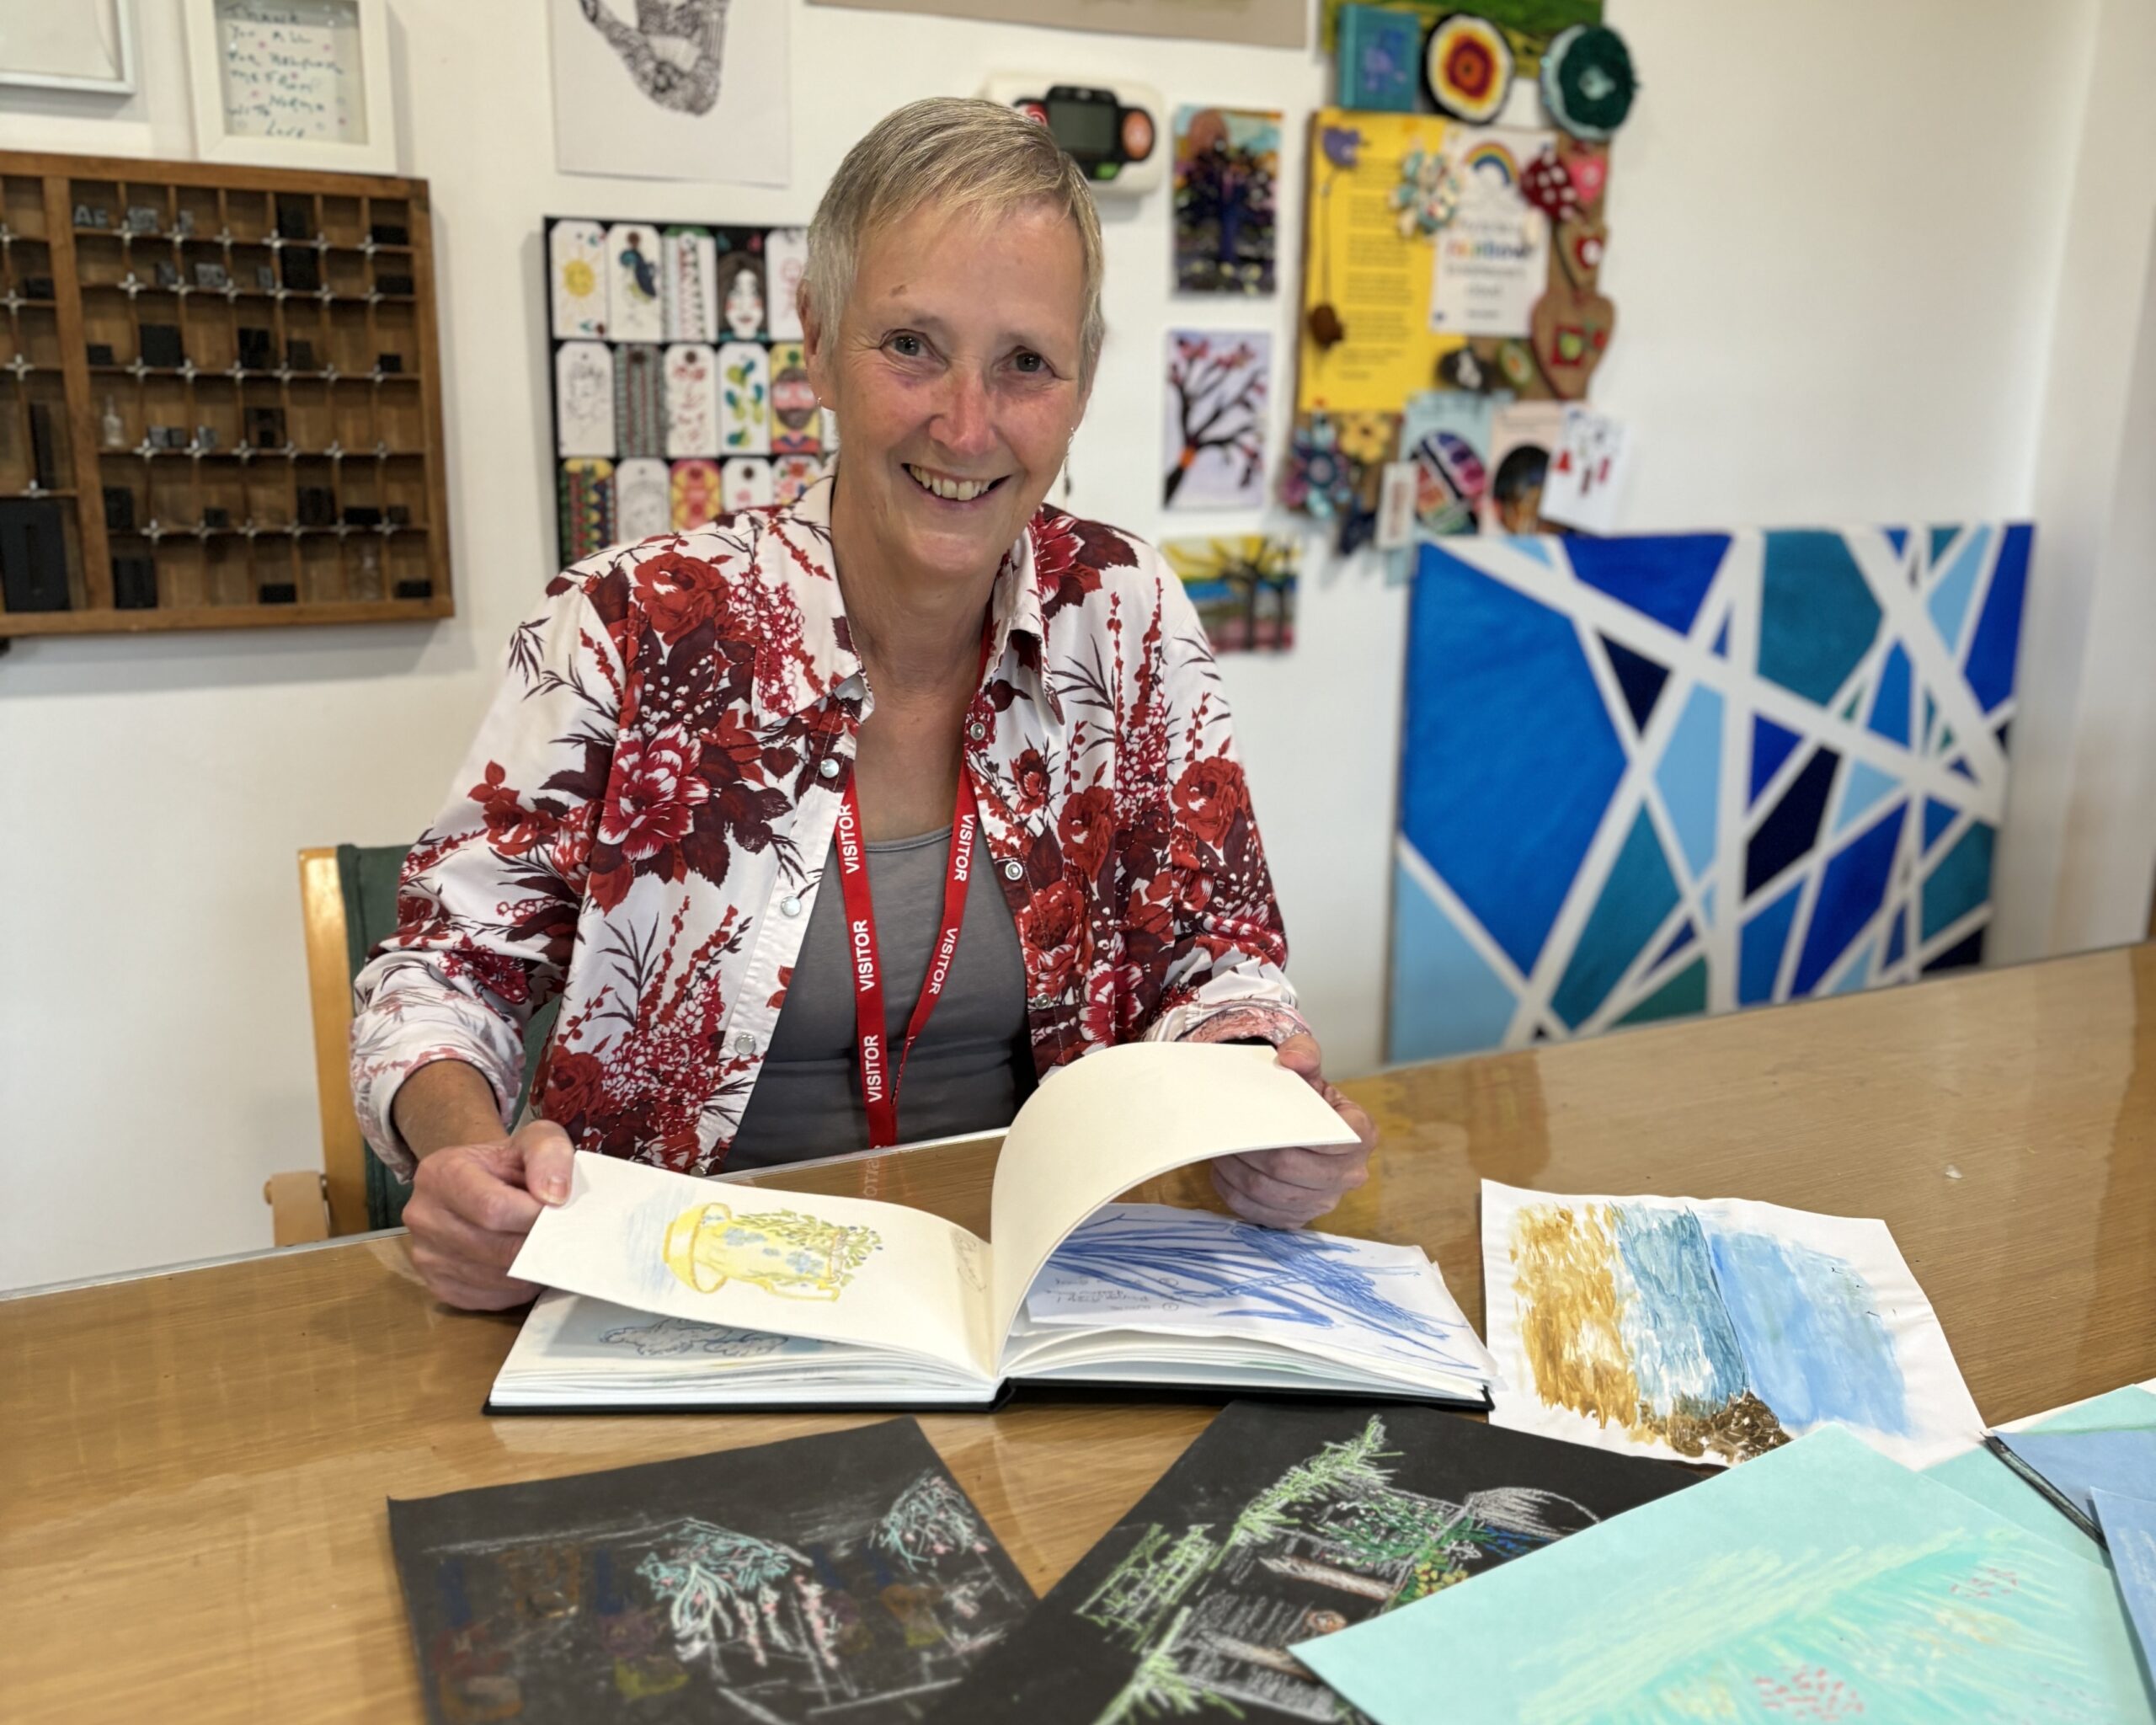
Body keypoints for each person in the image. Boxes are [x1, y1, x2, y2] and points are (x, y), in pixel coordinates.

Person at [351, 99, 1377, 1312]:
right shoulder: (628, 624)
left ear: (1083, 384)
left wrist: (1254, 1088)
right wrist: (461, 1151)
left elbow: (1216, 959)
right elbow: (444, 969)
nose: (966, 423)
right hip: (667, 1295)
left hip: (1037, 1289)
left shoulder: (1127, 609)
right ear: (819, 342)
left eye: (1026, 363)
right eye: (911, 345)